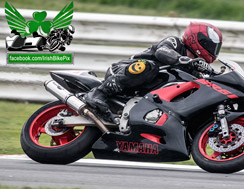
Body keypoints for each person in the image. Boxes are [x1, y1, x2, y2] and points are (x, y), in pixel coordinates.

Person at [85, 22, 223, 121]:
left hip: (141, 92)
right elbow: (162, 52)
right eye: (211, 45)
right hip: (122, 70)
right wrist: (183, 59)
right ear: (199, 40)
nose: (212, 49)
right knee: (149, 67)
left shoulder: (192, 69)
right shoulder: (175, 42)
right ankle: (99, 93)